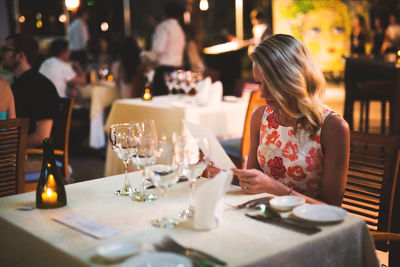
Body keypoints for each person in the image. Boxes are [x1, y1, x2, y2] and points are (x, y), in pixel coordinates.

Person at [208, 34, 350, 206]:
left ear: (293, 79)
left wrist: (276, 189)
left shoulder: (332, 127)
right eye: (259, 83)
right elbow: (253, 182)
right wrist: (224, 176)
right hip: (266, 216)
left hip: (307, 225)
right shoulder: (261, 116)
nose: (263, 93)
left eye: (271, 83)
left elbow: (333, 209)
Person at [2, 34, 59, 148]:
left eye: (6, 50)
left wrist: (9, 148)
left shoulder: (41, 86)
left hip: (35, 156)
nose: (2, 54)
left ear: (20, 55)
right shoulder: (16, 84)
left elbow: (42, 136)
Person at [142, 1, 186, 96]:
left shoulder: (164, 27)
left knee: (161, 101)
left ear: (165, 13)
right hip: (178, 70)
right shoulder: (179, 29)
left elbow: (158, 50)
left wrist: (144, 55)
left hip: (164, 72)